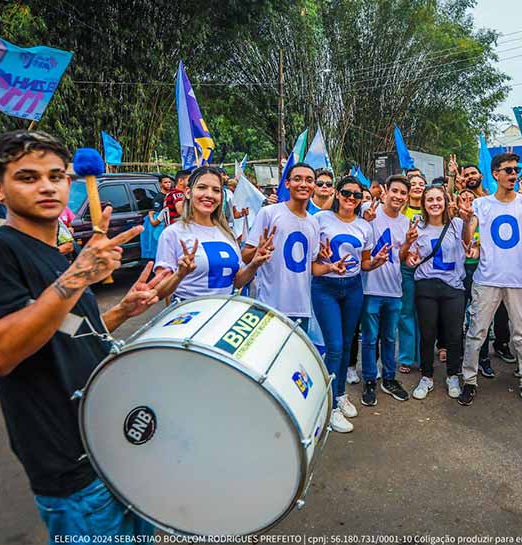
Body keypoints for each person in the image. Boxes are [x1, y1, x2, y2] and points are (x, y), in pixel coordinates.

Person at [0, 131, 161, 542]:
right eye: (28, 177)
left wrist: (121, 310)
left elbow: (68, 331)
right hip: (69, 460)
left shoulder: (54, 254)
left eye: (56, 175)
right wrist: (80, 275)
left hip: (112, 440)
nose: (47, 185)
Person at [460, 152, 522, 408]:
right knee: (477, 332)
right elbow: (467, 237)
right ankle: (469, 380)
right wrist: (465, 221)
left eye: (516, 170)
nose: (513, 175)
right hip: (487, 278)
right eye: (508, 170)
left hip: (519, 280)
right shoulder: (481, 204)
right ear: (495, 174)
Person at [312, 176, 391, 432]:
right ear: (337, 193)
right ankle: (329, 406)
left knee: (347, 345)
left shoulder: (364, 226)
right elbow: (312, 264)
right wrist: (325, 264)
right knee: (334, 345)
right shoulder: (321, 220)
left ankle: (340, 393)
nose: (351, 199)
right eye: (346, 193)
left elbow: (364, 263)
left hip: (354, 287)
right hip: (326, 287)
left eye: (357, 196)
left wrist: (376, 262)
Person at [153, 166, 273, 303]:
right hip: (188, 317)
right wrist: (179, 275)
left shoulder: (228, 234)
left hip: (222, 315)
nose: (209, 195)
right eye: (202, 187)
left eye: (216, 190)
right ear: (188, 192)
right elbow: (159, 292)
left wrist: (254, 263)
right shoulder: (172, 233)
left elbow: (237, 282)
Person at [403, 185, 470, 399]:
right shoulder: (418, 226)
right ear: (423, 203)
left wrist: (467, 220)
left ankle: (452, 375)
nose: (434, 203)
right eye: (430, 199)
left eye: (439, 199)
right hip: (426, 286)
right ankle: (427, 376)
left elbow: (467, 242)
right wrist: (410, 257)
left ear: (445, 201)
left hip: (453, 287)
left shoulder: (457, 224)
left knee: (453, 334)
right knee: (428, 334)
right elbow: (410, 256)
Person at [358, 175, 415, 406]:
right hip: (370, 287)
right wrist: (364, 220)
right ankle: (370, 380)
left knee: (390, 338)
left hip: (394, 289)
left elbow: (400, 258)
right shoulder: (368, 210)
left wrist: (409, 245)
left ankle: (389, 379)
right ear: (385, 191)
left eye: (403, 193)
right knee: (370, 339)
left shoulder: (405, 222)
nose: (398, 197)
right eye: (395, 191)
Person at [242, 162, 319, 331]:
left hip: (301, 308)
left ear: (314, 185)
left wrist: (331, 267)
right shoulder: (269, 213)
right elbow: (246, 256)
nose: (303, 184)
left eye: (309, 180)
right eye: (297, 179)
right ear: (287, 183)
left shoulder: (314, 222)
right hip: (270, 305)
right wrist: (259, 251)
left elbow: (311, 266)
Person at [397, 173, 427, 374]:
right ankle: (407, 357)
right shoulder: (401, 212)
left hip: (427, 268)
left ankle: (424, 355)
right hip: (406, 268)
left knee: (425, 313)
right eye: (413, 184)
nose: (417, 187)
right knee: (406, 311)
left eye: (421, 184)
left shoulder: (432, 210)